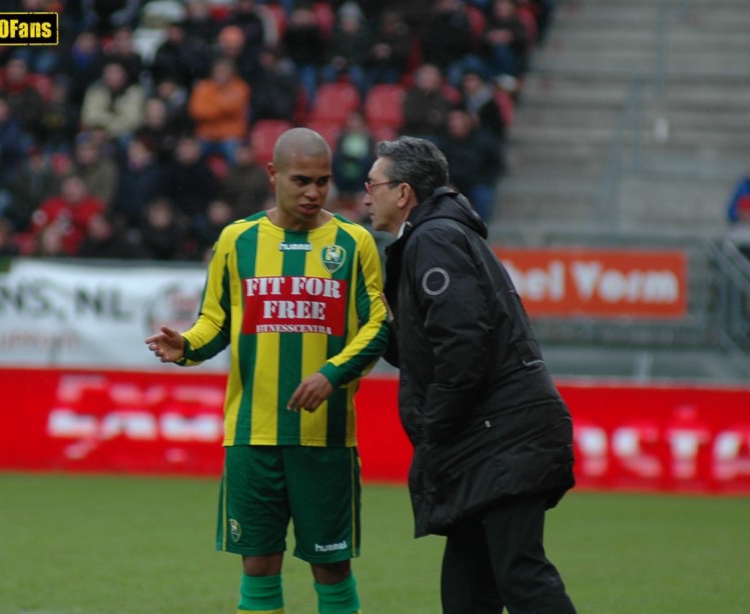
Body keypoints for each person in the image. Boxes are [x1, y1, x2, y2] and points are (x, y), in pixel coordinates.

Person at [145, 127, 389, 614]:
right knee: (257, 565)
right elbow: (215, 323)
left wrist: (332, 373)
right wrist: (186, 346)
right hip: (251, 434)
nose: (313, 192)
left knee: (332, 567)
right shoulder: (237, 241)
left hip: (326, 438)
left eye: (322, 181)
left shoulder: (354, 242)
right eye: (301, 180)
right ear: (273, 174)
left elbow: (379, 325)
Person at [365, 136, 576, 614]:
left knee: (519, 576)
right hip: (489, 437)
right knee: (467, 590)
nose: (364, 195)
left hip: (498, 436)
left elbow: (464, 343)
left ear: (402, 193)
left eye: (372, 184)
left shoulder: (433, 239)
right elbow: (430, 350)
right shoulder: (439, 236)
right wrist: (371, 323)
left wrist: (434, 425)